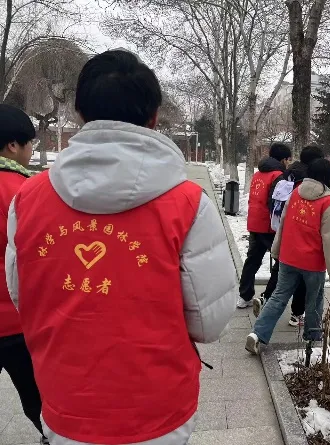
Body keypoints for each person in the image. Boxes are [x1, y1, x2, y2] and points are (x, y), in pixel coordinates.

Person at [5, 50, 237, 445]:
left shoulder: (27, 200)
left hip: (65, 404)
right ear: (154, 117)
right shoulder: (188, 205)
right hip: (158, 411)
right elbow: (209, 323)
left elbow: (22, 295)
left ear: (80, 113)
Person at [246, 158, 330, 354]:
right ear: (328, 176)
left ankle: (257, 334)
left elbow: (282, 224)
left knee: (278, 297)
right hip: (313, 263)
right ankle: (312, 339)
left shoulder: (295, 193)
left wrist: (276, 249)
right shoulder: (328, 202)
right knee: (314, 301)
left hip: (288, 258)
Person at [0, 104, 49, 445]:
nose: (31, 151)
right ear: (13, 145)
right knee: (40, 400)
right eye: (30, 143)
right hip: (17, 322)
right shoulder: (26, 192)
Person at [252, 145, 325, 327]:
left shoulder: (287, 172)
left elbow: (272, 198)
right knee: (301, 275)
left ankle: (266, 297)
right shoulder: (309, 178)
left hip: (283, 227)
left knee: (282, 268)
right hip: (302, 229)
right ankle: (296, 314)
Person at [236, 143, 292, 309]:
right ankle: (267, 296)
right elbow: (275, 203)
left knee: (252, 260)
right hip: (269, 226)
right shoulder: (278, 176)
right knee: (281, 261)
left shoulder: (258, 174)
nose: (288, 163)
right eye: (288, 160)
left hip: (254, 223)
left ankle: (244, 296)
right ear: (283, 160)